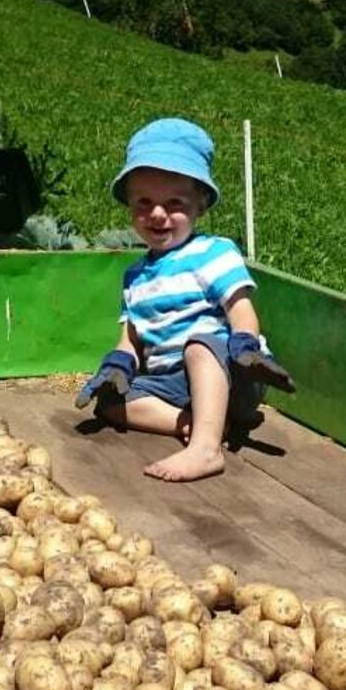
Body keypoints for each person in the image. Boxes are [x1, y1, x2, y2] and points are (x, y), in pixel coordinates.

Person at [76, 117, 293, 483]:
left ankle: (206, 449)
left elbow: (242, 312)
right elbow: (132, 338)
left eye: (174, 203)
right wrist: (116, 367)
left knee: (200, 342)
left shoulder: (215, 252)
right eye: (144, 202)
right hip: (172, 386)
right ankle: (198, 424)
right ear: (129, 205)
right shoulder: (135, 276)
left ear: (201, 205)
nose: (158, 214)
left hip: (229, 371)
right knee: (109, 404)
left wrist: (245, 345)